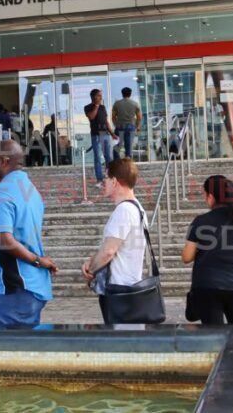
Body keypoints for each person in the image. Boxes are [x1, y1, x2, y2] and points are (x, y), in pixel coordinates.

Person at [0, 140, 57, 327]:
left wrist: (37, 260)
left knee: (1, 352)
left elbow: (5, 240)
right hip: (34, 286)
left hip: (12, 289)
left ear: (4, 161)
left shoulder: (0, 193)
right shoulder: (31, 190)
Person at [182, 175, 233, 325]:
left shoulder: (201, 221)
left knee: (213, 337)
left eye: (204, 194)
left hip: (207, 285)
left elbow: (186, 256)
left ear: (211, 196)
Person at [81, 159, 148, 324]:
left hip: (118, 290)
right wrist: (92, 260)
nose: (104, 182)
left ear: (115, 181)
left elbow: (108, 252)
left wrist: (91, 271)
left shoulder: (124, 210)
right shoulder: (137, 208)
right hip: (130, 286)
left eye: (106, 178)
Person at [85, 88, 115, 186]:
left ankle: (110, 178)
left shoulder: (103, 107)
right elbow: (92, 117)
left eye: (101, 95)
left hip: (105, 134)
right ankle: (99, 180)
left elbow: (106, 121)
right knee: (97, 158)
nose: (101, 97)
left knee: (109, 157)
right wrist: (96, 106)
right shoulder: (88, 107)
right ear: (94, 97)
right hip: (96, 135)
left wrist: (112, 133)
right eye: (99, 95)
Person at [111, 87, 141, 160]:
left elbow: (113, 117)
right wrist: (137, 127)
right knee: (128, 147)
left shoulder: (117, 104)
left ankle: (117, 163)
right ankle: (128, 164)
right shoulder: (135, 104)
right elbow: (139, 117)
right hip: (130, 127)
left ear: (122, 94)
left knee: (119, 146)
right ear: (130, 94)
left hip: (120, 127)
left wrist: (116, 125)